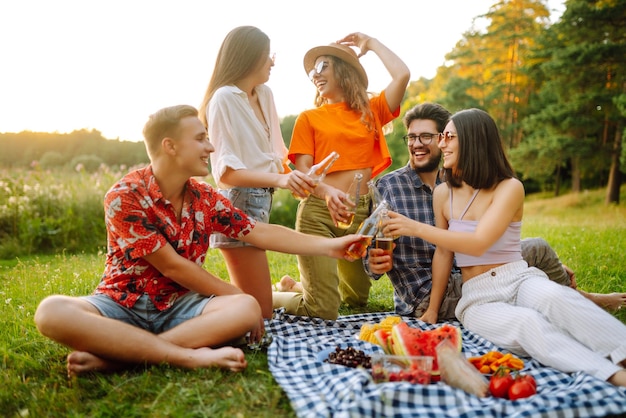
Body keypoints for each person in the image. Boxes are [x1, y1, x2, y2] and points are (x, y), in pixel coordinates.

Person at [33, 105, 362, 377]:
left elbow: (259, 231)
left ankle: (119, 358)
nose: (211, 147)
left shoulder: (205, 196)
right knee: (51, 311)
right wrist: (235, 294)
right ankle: (187, 356)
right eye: (201, 139)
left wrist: (330, 245)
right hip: (122, 302)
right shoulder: (124, 196)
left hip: (181, 306)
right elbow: (173, 266)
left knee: (247, 308)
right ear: (170, 146)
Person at [382, 107, 626, 387]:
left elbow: (479, 242)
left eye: (448, 136)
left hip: (519, 279)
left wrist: (415, 227)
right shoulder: (443, 193)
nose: (441, 143)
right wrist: (433, 310)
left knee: (556, 299)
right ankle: (613, 374)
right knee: (528, 325)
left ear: (473, 140)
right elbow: (445, 252)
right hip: (476, 298)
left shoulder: (509, 187)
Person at [272, 32, 410, 320]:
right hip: (319, 215)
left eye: (323, 66)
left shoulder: (371, 111)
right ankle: (266, 295)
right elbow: (303, 172)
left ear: (344, 70)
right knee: (322, 309)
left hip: (359, 217)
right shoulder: (309, 118)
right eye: (312, 70)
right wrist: (326, 193)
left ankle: (297, 286)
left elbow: (402, 75)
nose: (315, 75)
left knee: (357, 300)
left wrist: (370, 43)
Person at [198, 26, 316, 321]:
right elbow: (226, 174)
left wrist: (309, 180)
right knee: (260, 314)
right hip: (238, 202)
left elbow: (276, 158)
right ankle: (199, 306)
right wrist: (281, 179)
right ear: (248, 57)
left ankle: (264, 294)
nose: (272, 61)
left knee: (262, 310)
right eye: (267, 55)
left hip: (261, 199)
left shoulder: (264, 94)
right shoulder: (223, 98)